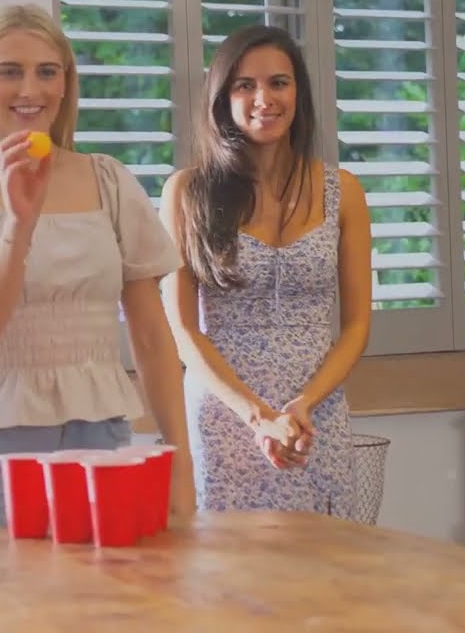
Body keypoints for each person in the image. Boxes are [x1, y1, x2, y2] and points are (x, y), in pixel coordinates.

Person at [0, 3, 195, 530]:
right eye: (9, 71)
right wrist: (20, 222)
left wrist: (179, 460)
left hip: (102, 444)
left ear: (66, 84)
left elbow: (153, 337)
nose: (30, 90)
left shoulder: (109, 181)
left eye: (47, 71)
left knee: (99, 608)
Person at [158, 25, 372, 517]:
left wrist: (303, 407)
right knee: (227, 579)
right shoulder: (187, 192)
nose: (264, 98)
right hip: (225, 417)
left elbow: (358, 325)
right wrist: (257, 418)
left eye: (279, 82)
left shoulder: (344, 191)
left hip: (316, 419)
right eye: (244, 85)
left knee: (327, 573)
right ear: (222, 98)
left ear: (299, 92)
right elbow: (183, 329)